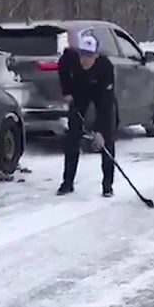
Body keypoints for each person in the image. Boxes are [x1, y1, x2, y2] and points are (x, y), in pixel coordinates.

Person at [56, 31, 116, 197]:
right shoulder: (70, 57)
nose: (85, 59)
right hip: (79, 91)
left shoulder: (105, 67)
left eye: (89, 55)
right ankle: (67, 182)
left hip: (100, 92)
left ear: (96, 55)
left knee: (106, 137)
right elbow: (62, 69)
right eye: (83, 54)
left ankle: (107, 185)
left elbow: (105, 105)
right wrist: (66, 91)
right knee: (73, 135)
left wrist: (99, 131)